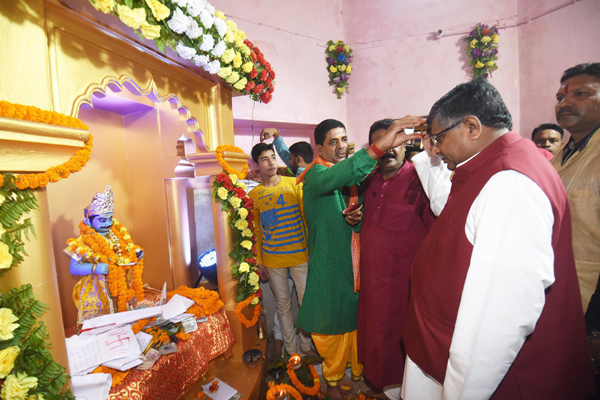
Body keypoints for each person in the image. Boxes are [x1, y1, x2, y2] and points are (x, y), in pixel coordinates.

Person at [401, 78, 594, 399]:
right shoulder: (488, 167)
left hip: (496, 376)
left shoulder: (510, 181)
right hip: (442, 341)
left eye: (438, 138)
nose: (434, 148)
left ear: (472, 128)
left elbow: (501, 316)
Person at [295, 118, 423, 400]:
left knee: (355, 327)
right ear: (319, 148)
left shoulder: (354, 181)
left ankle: (354, 378)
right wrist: (380, 146)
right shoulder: (316, 176)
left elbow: (352, 219)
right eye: (333, 142)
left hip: (355, 269)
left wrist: (356, 219)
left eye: (344, 140)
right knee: (330, 332)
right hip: (329, 269)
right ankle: (331, 382)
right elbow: (343, 174)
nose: (341, 146)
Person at [357, 119, 436, 393]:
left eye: (395, 142)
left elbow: (435, 232)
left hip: (406, 287)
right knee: (374, 338)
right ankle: (376, 385)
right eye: (382, 144)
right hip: (371, 283)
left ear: (406, 144)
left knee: (401, 345)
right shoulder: (366, 181)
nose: (389, 149)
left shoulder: (421, 179)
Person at [248, 143, 313, 356]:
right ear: (257, 165)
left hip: (299, 255)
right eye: (265, 159)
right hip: (273, 260)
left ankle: (306, 347)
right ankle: (292, 353)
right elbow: (259, 230)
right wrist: (260, 260)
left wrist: (311, 250)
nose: (271, 162)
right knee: (283, 307)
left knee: (306, 305)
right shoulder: (255, 195)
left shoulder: (295, 183)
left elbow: (306, 219)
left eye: (273, 157)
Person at [550, 63, 600, 313]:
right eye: (561, 97)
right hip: (561, 296)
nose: (564, 103)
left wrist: (596, 323)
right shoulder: (560, 156)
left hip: (591, 301)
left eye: (580, 94)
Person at [65, 186, 145, 326]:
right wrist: (96, 267)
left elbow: (123, 255)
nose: (108, 223)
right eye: (102, 220)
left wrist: (134, 255)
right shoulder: (81, 242)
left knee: (125, 320)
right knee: (101, 326)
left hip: (121, 285)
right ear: (88, 221)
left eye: (110, 218)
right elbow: (74, 268)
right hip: (97, 289)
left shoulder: (117, 236)